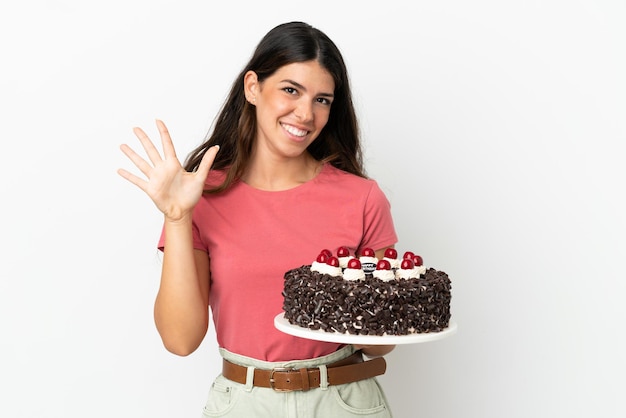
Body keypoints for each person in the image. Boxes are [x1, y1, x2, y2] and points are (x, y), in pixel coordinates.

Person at [118, 21, 398, 417]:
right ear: (253, 87)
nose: (305, 113)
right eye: (290, 90)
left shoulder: (362, 198)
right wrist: (178, 217)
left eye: (322, 99)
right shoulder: (200, 195)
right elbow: (180, 340)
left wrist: (350, 296)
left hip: (342, 402)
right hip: (244, 403)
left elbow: (380, 345)